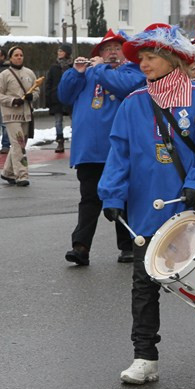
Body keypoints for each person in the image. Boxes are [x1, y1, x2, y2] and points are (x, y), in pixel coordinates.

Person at [99, 23, 195, 384]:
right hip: (145, 213)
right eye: (141, 57)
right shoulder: (132, 103)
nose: (143, 64)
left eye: (151, 56)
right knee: (144, 287)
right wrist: (111, 196)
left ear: (173, 59)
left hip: (188, 209)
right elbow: (119, 155)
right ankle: (145, 357)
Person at [59, 29, 144, 266]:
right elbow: (64, 95)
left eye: (117, 49)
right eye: (107, 49)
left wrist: (99, 69)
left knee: (124, 197)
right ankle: (81, 247)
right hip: (88, 151)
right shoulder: (88, 72)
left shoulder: (131, 71)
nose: (112, 53)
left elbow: (123, 86)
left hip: (120, 150)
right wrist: (74, 73)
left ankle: (128, 246)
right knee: (89, 199)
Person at [0, 46, 39, 187]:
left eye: (21, 55)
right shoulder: (4, 75)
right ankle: (21, 175)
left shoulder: (29, 73)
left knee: (18, 144)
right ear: (10, 58)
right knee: (19, 143)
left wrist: (33, 96)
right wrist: (12, 100)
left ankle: (8, 172)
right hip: (11, 114)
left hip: (26, 114)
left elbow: (36, 89)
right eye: (16, 55)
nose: (19, 57)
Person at [45, 43, 72, 154]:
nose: (59, 53)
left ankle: (76, 140)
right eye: (58, 51)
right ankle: (60, 141)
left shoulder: (72, 66)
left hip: (70, 97)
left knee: (74, 120)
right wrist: (49, 97)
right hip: (56, 97)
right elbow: (48, 83)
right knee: (58, 121)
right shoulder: (54, 67)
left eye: (61, 51)